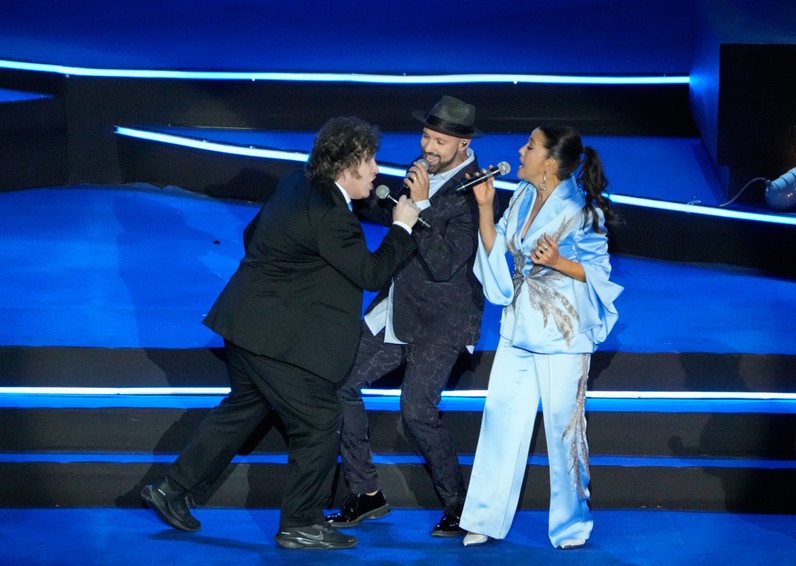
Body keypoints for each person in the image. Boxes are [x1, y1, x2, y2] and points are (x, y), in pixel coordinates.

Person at [140, 116, 421, 551]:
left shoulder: (296, 183)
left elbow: (253, 234)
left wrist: (292, 282)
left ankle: (172, 490)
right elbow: (371, 273)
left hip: (243, 324)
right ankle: (301, 523)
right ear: (347, 167)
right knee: (319, 421)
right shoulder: (331, 216)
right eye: (369, 161)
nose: (375, 170)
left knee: (243, 409)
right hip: (273, 341)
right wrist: (402, 226)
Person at [325, 96, 487, 537]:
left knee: (416, 410)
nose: (428, 147)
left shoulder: (476, 192)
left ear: (463, 144)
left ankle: (461, 507)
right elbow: (393, 213)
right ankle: (365, 492)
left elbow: (444, 264)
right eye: (426, 137)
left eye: (439, 141)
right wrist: (355, 189)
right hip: (397, 307)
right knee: (340, 384)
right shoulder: (422, 171)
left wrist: (420, 206)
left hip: (443, 319)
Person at [459, 124, 622, 549]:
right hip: (517, 328)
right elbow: (499, 251)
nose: (520, 151)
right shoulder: (521, 195)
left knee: (564, 430)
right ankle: (484, 517)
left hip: (563, 336)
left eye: (530, 146)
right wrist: (484, 207)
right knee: (500, 420)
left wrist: (559, 261)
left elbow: (600, 275)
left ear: (549, 162)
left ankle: (571, 525)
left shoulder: (584, 211)